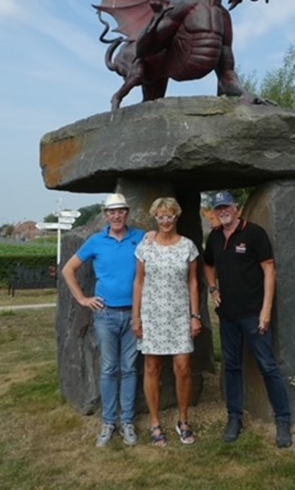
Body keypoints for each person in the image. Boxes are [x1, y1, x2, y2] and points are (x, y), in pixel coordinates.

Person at [203, 190, 293, 448]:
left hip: (254, 314)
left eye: (227, 207)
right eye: (219, 208)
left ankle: (283, 420)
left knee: (268, 366)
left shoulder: (254, 234)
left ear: (237, 208)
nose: (223, 211)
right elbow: (208, 264)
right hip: (228, 316)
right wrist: (213, 288)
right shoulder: (215, 237)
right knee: (231, 367)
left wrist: (266, 311)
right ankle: (235, 418)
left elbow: (269, 271)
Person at [60, 192, 145, 448]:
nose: (116, 216)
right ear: (106, 215)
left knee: (130, 369)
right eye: (111, 212)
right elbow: (68, 269)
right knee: (109, 368)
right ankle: (109, 422)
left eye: (120, 211)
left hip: (133, 314)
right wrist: (83, 299)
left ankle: (127, 421)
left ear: (127, 213)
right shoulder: (96, 241)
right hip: (105, 315)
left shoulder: (140, 238)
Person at [132, 197, 201, 447]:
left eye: (169, 215)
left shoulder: (188, 247)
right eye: (161, 216)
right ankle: (154, 422)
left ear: (176, 217)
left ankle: (183, 420)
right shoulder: (145, 246)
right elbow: (138, 282)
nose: (165, 220)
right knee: (152, 368)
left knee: (183, 367)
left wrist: (195, 316)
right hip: (152, 315)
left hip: (180, 315)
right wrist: (136, 317)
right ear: (156, 218)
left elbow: (193, 282)